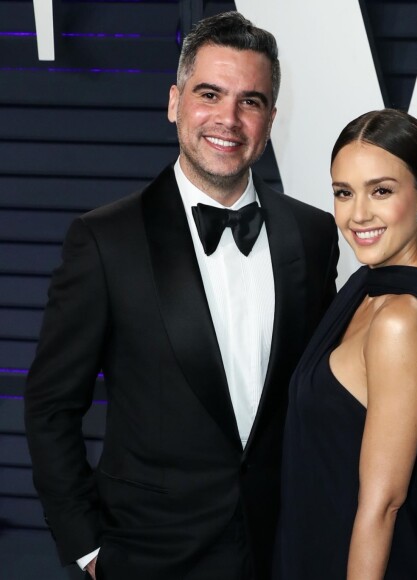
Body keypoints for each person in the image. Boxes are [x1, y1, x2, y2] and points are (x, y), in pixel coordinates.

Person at [24, 11, 338, 580]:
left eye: (251, 101)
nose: (228, 119)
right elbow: (50, 407)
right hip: (149, 557)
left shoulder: (314, 237)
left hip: (284, 552)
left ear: (271, 119)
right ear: (174, 102)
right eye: (210, 94)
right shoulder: (104, 241)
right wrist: (90, 550)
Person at [273, 109, 417, 579]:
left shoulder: (400, 318)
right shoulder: (373, 289)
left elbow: (383, 504)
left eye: (382, 190)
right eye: (343, 193)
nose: (359, 214)